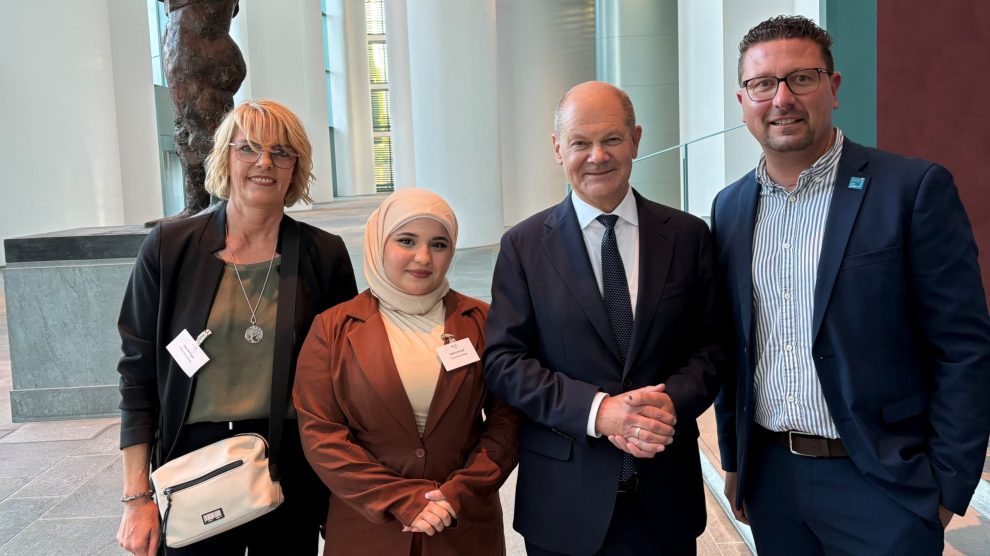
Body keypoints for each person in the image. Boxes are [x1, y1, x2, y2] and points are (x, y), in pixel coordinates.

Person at [712, 15, 990, 555]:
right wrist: (734, 459)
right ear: (743, 99)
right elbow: (732, 348)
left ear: (833, 89)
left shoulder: (911, 190)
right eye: (763, 84)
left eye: (802, 78)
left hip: (883, 483)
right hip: (772, 481)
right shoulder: (730, 208)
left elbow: (963, 345)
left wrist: (947, 486)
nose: (782, 99)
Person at [483, 81, 723, 555]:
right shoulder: (524, 246)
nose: (597, 156)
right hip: (564, 502)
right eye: (580, 143)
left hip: (665, 495)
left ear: (635, 139)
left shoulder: (689, 236)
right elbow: (504, 362)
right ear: (558, 149)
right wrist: (599, 412)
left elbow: (713, 348)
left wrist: (667, 405)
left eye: (611, 139)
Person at [115, 99, 357, 555]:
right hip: (193, 462)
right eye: (249, 148)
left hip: (289, 461)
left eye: (281, 152)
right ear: (226, 157)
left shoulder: (323, 255)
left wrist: (342, 486)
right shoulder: (170, 249)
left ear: (295, 168)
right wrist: (136, 498)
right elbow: (138, 375)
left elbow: (342, 377)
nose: (265, 162)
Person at [293, 188, 520, 556]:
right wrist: (399, 498)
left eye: (439, 244)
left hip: (460, 523)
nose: (423, 257)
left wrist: (459, 492)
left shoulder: (481, 320)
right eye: (406, 240)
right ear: (378, 242)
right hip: (368, 529)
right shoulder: (333, 328)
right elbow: (322, 435)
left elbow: (506, 421)